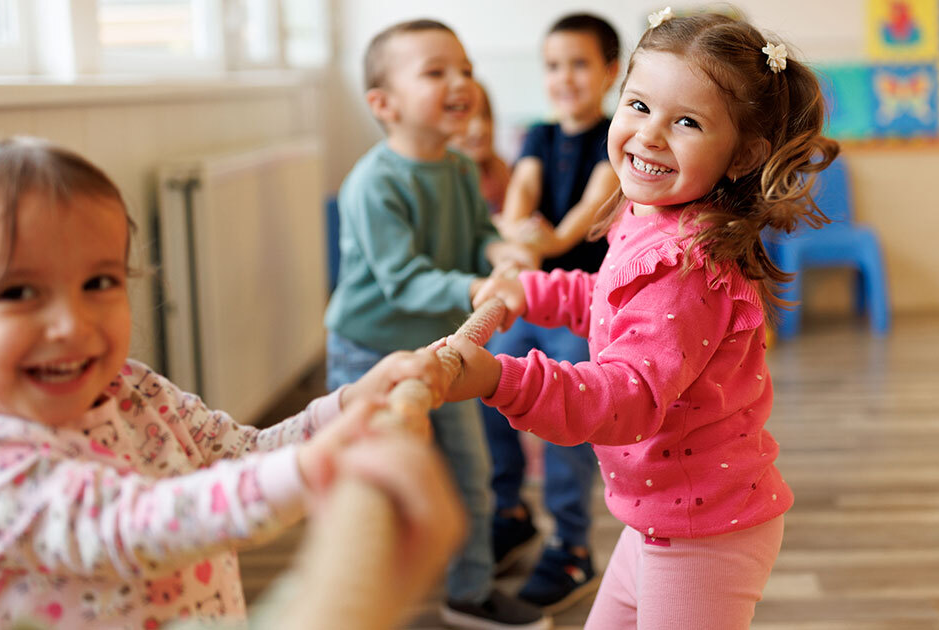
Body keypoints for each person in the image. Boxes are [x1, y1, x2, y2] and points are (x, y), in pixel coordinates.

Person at [441, 10, 840, 629]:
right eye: (638, 105)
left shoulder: (685, 266)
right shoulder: (654, 215)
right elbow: (610, 300)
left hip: (701, 535)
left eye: (686, 121)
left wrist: (500, 379)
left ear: (743, 154)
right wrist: (532, 292)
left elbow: (624, 400)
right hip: (661, 516)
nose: (650, 135)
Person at [0, 137, 466, 629]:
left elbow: (245, 453)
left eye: (99, 283)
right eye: (19, 292)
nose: (71, 324)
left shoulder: (135, 390)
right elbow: (130, 524)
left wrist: (351, 404)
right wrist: (315, 468)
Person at [321, 18, 546, 630]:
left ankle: (469, 591)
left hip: (441, 351)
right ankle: (356, 598)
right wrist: (478, 284)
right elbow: (403, 278)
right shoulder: (373, 182)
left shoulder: (456, 168)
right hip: (367, 353)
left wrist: (497, 253)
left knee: (470, 474)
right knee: (372, 484)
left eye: (466, 69)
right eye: (436, 71)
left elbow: (476, 238)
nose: (461, 82)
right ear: (383, 104)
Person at [480, 13, 622, 613]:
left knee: (567, 416)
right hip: (533, 297)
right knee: (489, 384)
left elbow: (587, 215)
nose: (565, 77)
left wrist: (538, 241)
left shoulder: (619, 135)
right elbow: (523, 191)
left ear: (611, 72)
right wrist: (515, 231)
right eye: (554, 65)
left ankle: (570, 544)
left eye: (580, 63)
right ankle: (511, 512)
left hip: (581, 308)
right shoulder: (537, 135)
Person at [449, 83, 510, 215]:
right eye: (467, 118)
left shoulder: (500, 170)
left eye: (485, 115)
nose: (479, 129)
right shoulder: (446, 178)